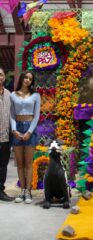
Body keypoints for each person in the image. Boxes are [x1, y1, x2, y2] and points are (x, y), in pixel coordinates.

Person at [10, 71, 40, 204]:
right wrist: (14, 129)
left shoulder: (36, 96)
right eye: (26, 77)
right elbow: (11, 114)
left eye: (30, 79)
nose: (27, 80)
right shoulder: (12, 95)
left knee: (28, 164)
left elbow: (37, 115)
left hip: (30, 129)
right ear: (22, 78)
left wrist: (29, 132)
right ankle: (21, 190)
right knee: (20, 164)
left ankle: (28, 191)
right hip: (17, 128)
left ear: (32, 82)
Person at [0, 67, 13, 201]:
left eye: (1, 74)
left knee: (3, 166)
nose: (0, 77)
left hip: (6, 137)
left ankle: (1, 191)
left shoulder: (9, 94)